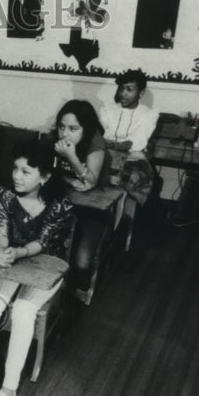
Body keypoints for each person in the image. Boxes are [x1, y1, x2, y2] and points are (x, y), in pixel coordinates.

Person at [0, 137, 74, 396]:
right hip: (12, 260)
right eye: (15, 168)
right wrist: (0, 252)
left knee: (22, 310)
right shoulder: (5, 195)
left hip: (47, 266)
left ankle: (8, 387)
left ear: (45, 177)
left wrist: (16, 253)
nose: (17, 176)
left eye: (26, 171)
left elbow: (43, 242)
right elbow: (0, 229)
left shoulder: (60, 203)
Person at [53, 99, 109, 303]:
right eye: (61, 127)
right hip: (64, 205)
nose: (64, 133)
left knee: (83, 261)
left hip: (94, 209)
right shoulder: (55, 140)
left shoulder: (96, 142)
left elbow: (91, 181)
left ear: (86, 129)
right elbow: (48, 173)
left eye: (73, 128)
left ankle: (80, 290)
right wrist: (67, 179)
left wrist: (72, 157)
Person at [98, 69, 158, 154]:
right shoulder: (107, 110)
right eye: (121, 89)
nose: (123, 94)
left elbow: (138, 140)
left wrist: (116, 145)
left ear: (141, 93)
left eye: (129, 90)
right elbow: (100, 134)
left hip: (132, 157)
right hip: (105, 153)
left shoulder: (149, 114)